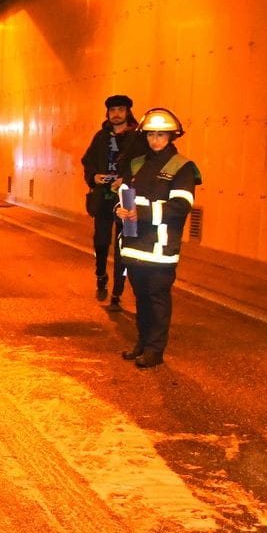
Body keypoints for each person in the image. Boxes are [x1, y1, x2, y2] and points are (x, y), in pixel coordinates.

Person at [116, 108, 201, 369]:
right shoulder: (137, 164)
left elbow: (179, 207)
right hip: (134, 244)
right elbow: (126, 195)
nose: (155, 140)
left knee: (157, 298)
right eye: (151, 134)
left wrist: (138, 213)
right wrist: (119, 210)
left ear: (171, 137)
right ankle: (142, 343)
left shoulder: (183, 168)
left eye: (161, 135)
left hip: (160, 247)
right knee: (141, 297)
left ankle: (155, 349)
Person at [80, 94, 147, 311]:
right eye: (113, 110)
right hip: (103, 198)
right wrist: (93, 177)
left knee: (123, 247)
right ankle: (101, 275)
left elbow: (146, 165)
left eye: (121, 110)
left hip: (127, 198)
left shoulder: (138, 139)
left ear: (128, 112)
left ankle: (117, 292)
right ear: (108, 113)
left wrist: (126, 180)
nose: (116, 114)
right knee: (100, 241)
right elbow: (87, 161)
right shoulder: (101, 137)